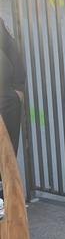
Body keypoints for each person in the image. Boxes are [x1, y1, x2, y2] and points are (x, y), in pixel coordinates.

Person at [0, 18, 26, 218]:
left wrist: (17, 88)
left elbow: (12, 52)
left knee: (8, 154)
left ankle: (9, 207)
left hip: (5, 98)